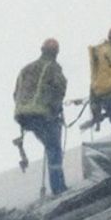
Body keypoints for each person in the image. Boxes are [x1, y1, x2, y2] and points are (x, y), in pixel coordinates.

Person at [13, 38, 69, 195]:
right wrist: (55, 110)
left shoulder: (25, 69)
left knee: (50, 146)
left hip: (23, 116)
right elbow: (59, 90)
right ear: (56, 53)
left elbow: (16, 93)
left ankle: (58, 186)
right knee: (54, 148)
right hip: (43, 115)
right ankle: (59, 189)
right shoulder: (53, 67)